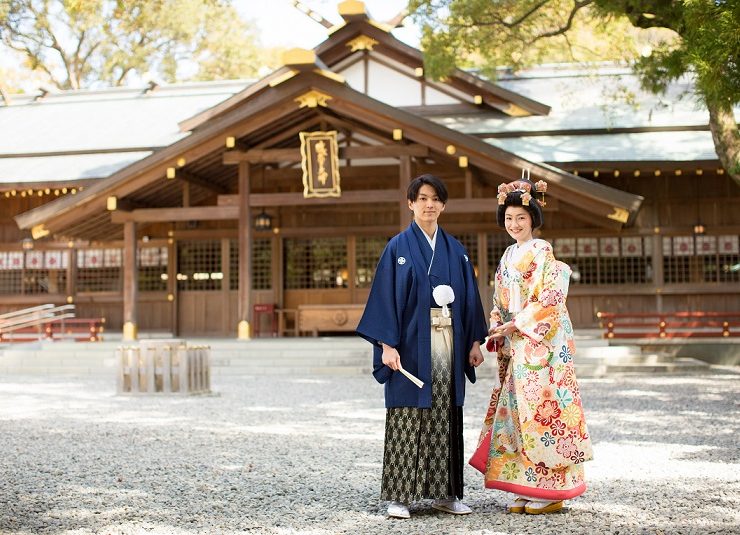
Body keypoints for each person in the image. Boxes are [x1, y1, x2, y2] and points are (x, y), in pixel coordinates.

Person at [357, 174, 488, 519]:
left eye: (436, 199)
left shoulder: (456, 251)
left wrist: (474, 341)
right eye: (422, 198)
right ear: (411, 203)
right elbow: (385, 298)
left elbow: (471, 301)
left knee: (444, 415)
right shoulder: (397, 248)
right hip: (409, 345)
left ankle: (446, 494)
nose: (429, 204)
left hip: (447, 342)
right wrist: (386, 344)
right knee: (407, 414)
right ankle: (400, 497)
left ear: (443, 205)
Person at [470, 174, 593, 515]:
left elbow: (550, 298)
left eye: (521, 218)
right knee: (518, 413)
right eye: (509, 219)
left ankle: (552, 489)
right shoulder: (508, 254)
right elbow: (499, 298)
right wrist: (497, 323)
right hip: (516, 344)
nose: (514, 224)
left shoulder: (542, 250)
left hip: (541, 346)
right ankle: (527, 483)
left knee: (543, 412)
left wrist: (519, 322)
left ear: (533, 220)